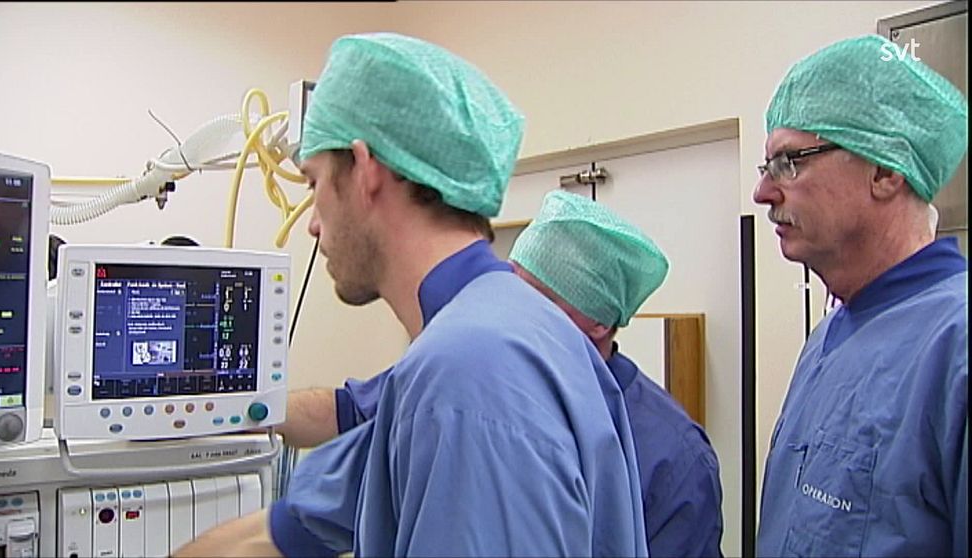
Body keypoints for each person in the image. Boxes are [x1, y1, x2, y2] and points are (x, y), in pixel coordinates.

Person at [175, 32, 647, 557]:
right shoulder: (505, 332)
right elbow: (285, 528)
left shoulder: (467, 371)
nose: (311, 224)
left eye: (313, 184)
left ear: (365, 171)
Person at [281, 189, 724, 557]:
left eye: (536, 296)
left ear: (598, 323)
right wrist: (250, 407)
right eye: (508, 284)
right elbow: (349, 413)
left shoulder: (675, 459)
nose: (507, 304)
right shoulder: (466, 368)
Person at [754, 35, 967, 557]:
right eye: (767, 168)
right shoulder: (829, 336)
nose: (763, 193)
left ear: (885, 170)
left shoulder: (955, 345)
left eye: (790, 162)